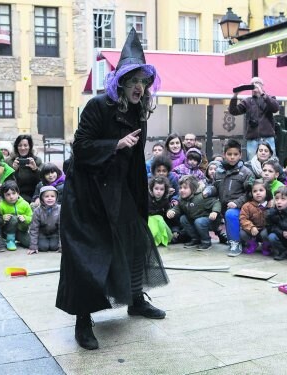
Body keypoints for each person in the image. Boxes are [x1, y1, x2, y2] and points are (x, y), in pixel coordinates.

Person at [56, 28, 168, 351]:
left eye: (143, 81)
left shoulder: (139, 112)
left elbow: (134, 159)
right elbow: (81, 147)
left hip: (121, 190)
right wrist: (115, 143)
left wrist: (137, 198)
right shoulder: (98, 106)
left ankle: (135, 300)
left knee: (133, 243)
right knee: (87, 255)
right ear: (120, 81)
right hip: (88, 193)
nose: (139, 87)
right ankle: (82, 320)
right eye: (133, 80)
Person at [206, 139, 253, 257]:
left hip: (239, 208)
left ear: (240, 155)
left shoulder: (246, 172)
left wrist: (237, 203)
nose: (232, 157)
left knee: (231, 214)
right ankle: (203, 240)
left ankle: (235, 243)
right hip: (222, 206)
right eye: (229, 154)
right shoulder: (218, 172)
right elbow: (215, 187)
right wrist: (208, 191)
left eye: (235, 154)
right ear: (224, 155)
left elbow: (250, 193)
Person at [228, 77, 280, 160]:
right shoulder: (247, 101)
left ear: (262, 86)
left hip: (268, 137)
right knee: (252, 162)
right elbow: (233, 111)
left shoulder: (270, 98)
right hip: (252, 139)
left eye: (258, 82)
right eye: (253, 83)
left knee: (271, 162)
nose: (255, 84)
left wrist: (262, 94)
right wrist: (235, 95)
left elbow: (275, 108)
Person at [166, 175, 221, 251]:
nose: (182, 190)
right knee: (183, 218)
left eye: (185, 188)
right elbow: (178, 208)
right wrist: (172, 211)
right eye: (180, 188)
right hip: (194, 220)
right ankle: (196, 239)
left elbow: (216, 202)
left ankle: (206, 241)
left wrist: (215, 212)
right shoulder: (182, 199)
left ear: (193, 188)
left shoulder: (201, 197)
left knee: (199, 221)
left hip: (210, 220)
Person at [239, 179, 272, 255]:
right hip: (253, 230)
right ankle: (252, 244)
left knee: (265, 233)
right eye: (255, 191)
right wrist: (251, 227)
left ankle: (266, 246)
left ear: (267, 192)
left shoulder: (271, 205)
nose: (258, 193)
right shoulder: (247, 206)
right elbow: (243, 219)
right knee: (242, 233)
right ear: (251, 193)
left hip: (264, 230)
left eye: (261, 190)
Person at [6, 135, 43, 203]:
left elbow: (42, 181)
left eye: (25, 145)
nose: (23, 148)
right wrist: (13, 170)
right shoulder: (10, 161)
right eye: (20, 145)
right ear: (16, 147)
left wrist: (35, 169)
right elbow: (7, 183)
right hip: (15, 195)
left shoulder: (37, 160)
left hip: (34, 195)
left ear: (30, 147)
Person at [0, 180, 32, 251]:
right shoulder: (1, 206)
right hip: (6, 232)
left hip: (21, 230)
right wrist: (3, 218)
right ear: (3, 196)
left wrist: (25, 218)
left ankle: (18, 239)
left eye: (13, 193)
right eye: (8, 194)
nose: (11, 197)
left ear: (18, 193)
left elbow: (32, 218)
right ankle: (10, 240)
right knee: (13, 218)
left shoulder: (25, 204)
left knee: (30, 244)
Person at [28, 186, 61, 253]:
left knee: (54, 247)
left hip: (55, 234)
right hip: (42, 234)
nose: (50, 198)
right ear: (41, 198)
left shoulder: (60, 209)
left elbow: (62, 229)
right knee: (43, 247)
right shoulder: (37, 211)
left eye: (52, 196)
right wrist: (33, 246)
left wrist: (62, 246)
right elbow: (34, 229)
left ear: (56, 198)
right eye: (46, 196)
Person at [147, 176, 172, 247]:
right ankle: (151, 239)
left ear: (165, 190)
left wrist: (169, 212)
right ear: (152, 188)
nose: (159, 191)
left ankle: (160, 239)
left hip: (159, 219)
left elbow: (168, 208)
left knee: (160, 220)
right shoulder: (147, 197)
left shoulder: (165, 199)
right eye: (156, 188)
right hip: (148, 219)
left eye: (162, 189)